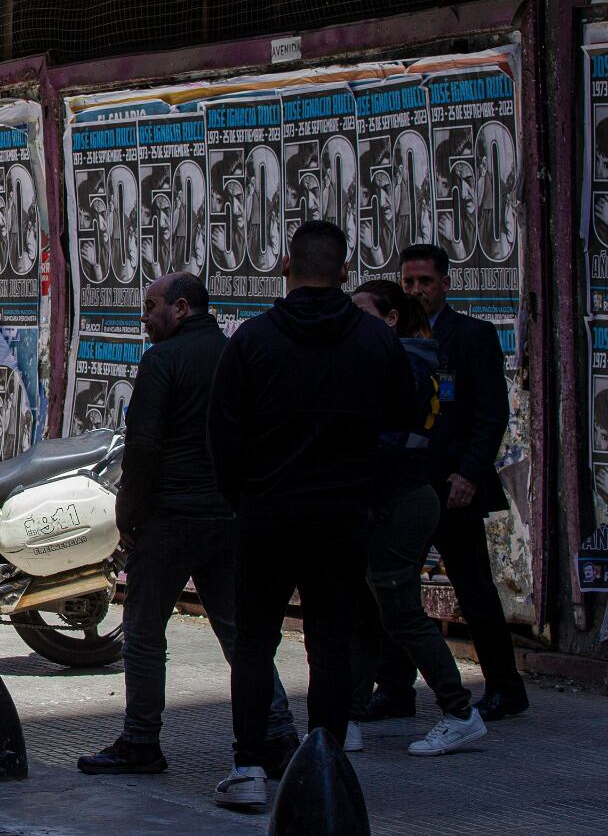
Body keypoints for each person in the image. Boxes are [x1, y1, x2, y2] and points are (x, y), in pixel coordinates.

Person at [207, 220, 418, 810]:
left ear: (284, 266)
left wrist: (242, 498)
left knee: (253, 643)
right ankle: (322, 765)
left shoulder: (252, 340)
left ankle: (249, 766)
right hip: (342, 516)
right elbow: (404, 417)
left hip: (267, 513)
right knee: (330, 643)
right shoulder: (376, 342)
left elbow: (222, 434)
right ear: (346, 272)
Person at [78, 272, 299, 777]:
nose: (144, 316)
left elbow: (145, 445)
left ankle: (140, 740)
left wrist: (127, 511)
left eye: (152, 305)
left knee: (143, 632)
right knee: (242, 634)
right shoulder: (235, 355)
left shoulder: (162, 360)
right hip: (227, 516)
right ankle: (279, 735)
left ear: (181, 308)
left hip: (170, 519)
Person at [364, 243, 526, 722]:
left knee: (474, 590)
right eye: (409, 282)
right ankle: (394, 689)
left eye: (425, 282)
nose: (417, 290)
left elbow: (489, 414)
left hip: (453, 487)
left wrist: (470, 474)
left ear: (445, 285)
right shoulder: (390, 337)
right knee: (393, 589)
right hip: (405, 487)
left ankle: (504, 687)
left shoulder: (471, 336)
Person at [346, 279, 486, 757]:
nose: (351, 320)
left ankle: (459, 710)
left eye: (361, 311)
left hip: (399, 500)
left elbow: (382, 435)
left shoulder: (402, 362)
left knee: (400, 612)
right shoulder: (409, 358)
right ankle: (347, 716)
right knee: (364, 613)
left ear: (389, 319)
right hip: (391, 497)